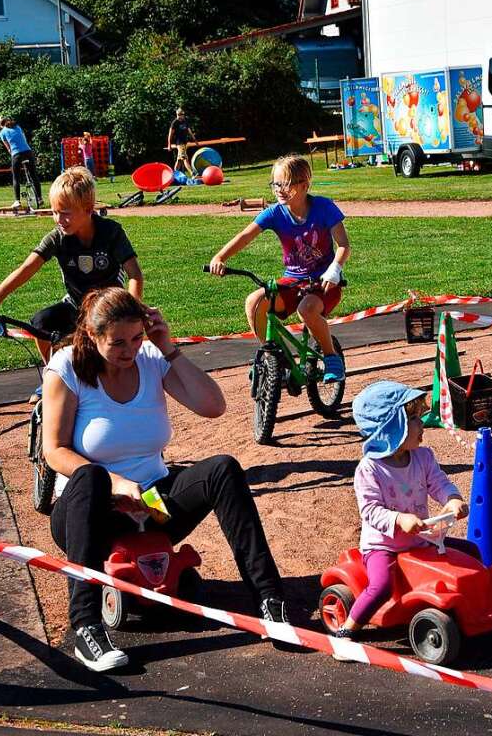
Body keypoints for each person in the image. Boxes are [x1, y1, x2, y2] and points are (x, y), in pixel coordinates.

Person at [42, 287, 289, 671]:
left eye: (137, 337)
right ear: (92, 336)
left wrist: (168, 347)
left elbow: (213, 407)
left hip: (151, 505)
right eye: (118, 342)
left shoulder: (152, 358)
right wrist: (116, 483)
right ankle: (87, 628)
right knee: (91, 476)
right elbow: (54, 451)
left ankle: (271, 601)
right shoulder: (67, 367)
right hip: (90, 512)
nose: (130, 350)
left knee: (223, 468)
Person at [332, 380, 471, 647]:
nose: (423, 425)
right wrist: (399, 519)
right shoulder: (369, 469)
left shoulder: (423, 457)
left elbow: (439, 483)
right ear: (393, 428)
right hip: (383, 546)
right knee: (381, 585)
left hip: (421, 541)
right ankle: (347, 631)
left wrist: (452, 499)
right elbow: (370, 511)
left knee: (470, 554)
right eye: (415, 419)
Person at [0, 166, 143, 365]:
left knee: (97, 360)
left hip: (110, 310)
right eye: (54, 212)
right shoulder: (57, 238)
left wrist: (131, 311)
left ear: (88, 208)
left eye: (65, 213)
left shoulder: (111, 232)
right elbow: (27, 268)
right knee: (41, 322)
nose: (58, 220)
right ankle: (51, 375)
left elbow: (135, 275)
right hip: (76, 304)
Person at [209, 154, 350, 382]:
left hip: (323, 283)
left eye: (285, 184)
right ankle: (277, 357)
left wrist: (334, 269)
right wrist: (220, 257)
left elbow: (343, 245)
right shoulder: (275, 212)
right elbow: (245, 236)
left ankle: (331, 357)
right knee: (254, 302)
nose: (279, 189)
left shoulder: (324, 207)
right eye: (275, 183)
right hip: (292, 281)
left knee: (307, 310)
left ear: (304, 185)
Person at [0, 114, 42, 210]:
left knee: (16, 178)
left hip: (16, 154)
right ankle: (39, 198)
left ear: (0, 124)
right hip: (28, 152)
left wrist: (14, 154)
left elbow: (8, 148)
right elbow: (24, 139)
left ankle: (17, 201)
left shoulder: (2, 132)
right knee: (34, 175)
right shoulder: (17, 126)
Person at [167, 107, 197, 177]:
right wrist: (169, 145)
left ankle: (173, 175)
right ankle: (192, 173)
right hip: (179, 143)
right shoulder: (175, 123)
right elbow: (170, 134)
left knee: (179, 160)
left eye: (181, 114)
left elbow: (190, 132)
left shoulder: (185, 122)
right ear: (177, 114)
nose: (180, 116)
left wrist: (195, 140)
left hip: (185, 143)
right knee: (184, 158)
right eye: (178, 114)